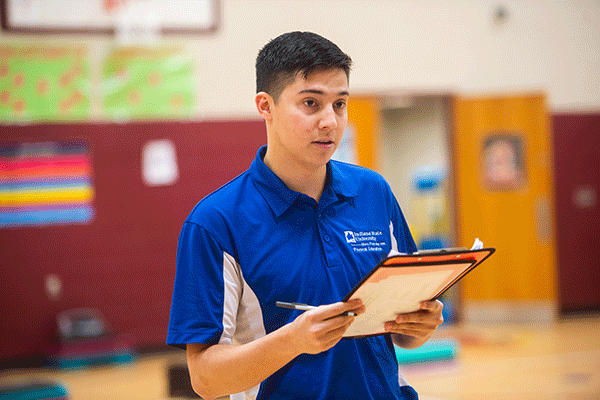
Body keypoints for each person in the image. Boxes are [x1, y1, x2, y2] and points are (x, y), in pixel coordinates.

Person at [167, 31, 444, 400]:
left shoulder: (374, 192)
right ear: (265, 106)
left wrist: (419, 325)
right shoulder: (215, 222)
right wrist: (293, 341)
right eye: (311, 103)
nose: (330, 121)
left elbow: (402, 331)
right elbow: (205, 379)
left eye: (340, 104)